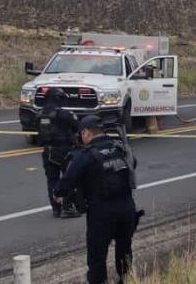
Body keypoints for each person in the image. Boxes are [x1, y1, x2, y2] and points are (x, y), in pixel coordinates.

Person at [56, 116, 137, 284]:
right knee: (124, 251)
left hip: (102, 213)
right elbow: (133, 165)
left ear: (86, 132)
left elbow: (66, 183)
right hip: (127, 209)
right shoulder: (120, 148)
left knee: (97, 257)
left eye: (81, 134)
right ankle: (127, 279)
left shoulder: (85, 155)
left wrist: (58, 193)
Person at [38, 87, 82, 218]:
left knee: (52, 180)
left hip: (47, 151)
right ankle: (67, 207)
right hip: (64, 150)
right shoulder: (64, 114)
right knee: (69, 178)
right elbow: (77, 126)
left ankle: (56, 208)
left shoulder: (40, 114)